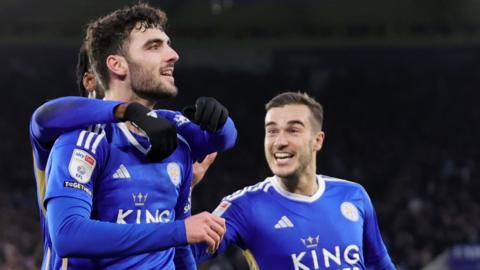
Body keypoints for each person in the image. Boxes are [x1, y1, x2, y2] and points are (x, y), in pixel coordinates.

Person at [34, 3, 236, 269]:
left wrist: (221, 121)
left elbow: (224, 139)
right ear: (116, 64)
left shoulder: (174, 133)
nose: (173, 55)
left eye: (168, 44)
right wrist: (180, 230)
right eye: (154, 46)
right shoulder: (85, 138)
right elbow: (68, 235)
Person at [192, 92, 395, 269]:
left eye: (293, 130)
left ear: (317, 140)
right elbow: (184, 256)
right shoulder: (243, 207)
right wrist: (183, 187)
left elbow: (378, 264)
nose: (280, 142)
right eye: (272, 131)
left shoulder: (353, 195)